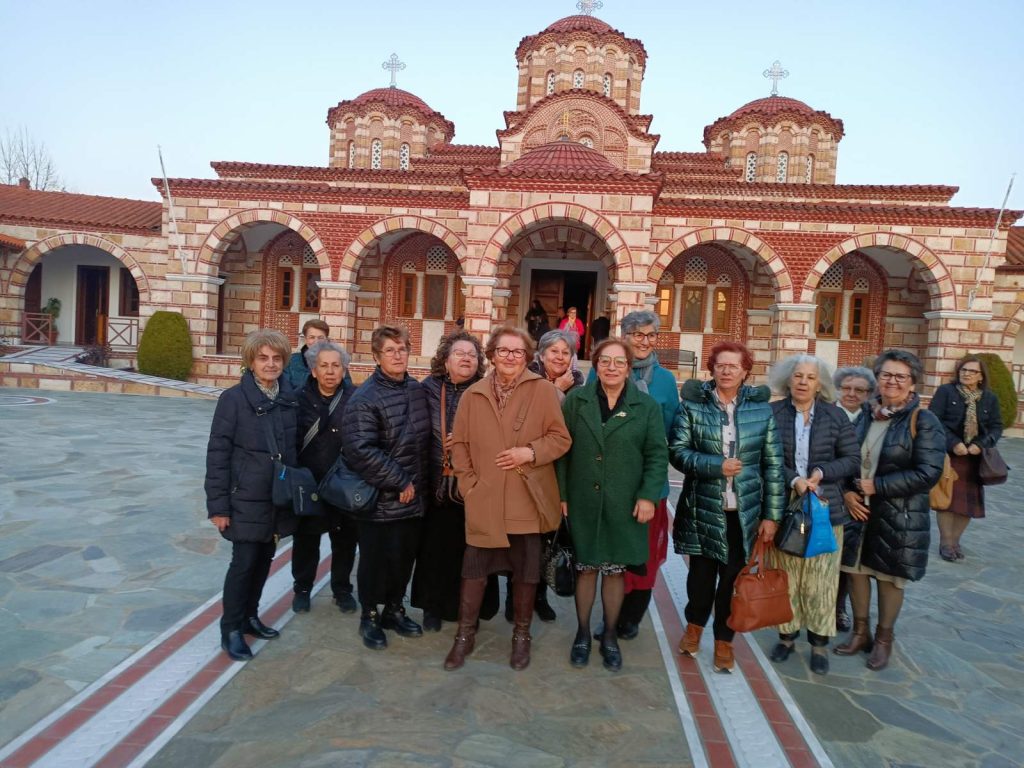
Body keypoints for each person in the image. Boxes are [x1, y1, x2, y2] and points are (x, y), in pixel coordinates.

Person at [445, 324, 571, 671]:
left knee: (526, 574)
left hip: (524, 497)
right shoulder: (474, 394)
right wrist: (469, 485)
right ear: (492, 356)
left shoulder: (543, 391)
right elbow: (460, 444)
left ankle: (521, 636)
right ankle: (464, 635)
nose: (510, 357)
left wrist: (529, 453)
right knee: (474, 571)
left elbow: (560, 439)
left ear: (528, 357)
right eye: (503, 350)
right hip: (484, 497)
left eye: (517, 352)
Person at [670, 341, 784, 673]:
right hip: (703, 507)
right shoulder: (693, 406)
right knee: (701, 578)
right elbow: (677, 451)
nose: (727, 371)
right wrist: (714, 465)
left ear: (746, 371)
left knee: (733, 581)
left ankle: (724, 640)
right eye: (721, 365)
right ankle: (694, 629)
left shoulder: (761, 411)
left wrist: (771, 516)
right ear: (712, 368)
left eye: (734, 366)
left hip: (743, 513)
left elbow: (774, 466)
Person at [558, 337, 668, 671]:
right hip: (582, 500)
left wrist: (649, 495)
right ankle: (580, 633)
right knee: (587, 567)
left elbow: (656, 454)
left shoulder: (645, 407)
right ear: (595, 364)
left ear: (629, 367)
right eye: (605, 361)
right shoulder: (576, 401)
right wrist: (562, 495)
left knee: (616, 570)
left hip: (625, 504)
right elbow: (562, 451)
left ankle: (608, 635)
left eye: (619, 362)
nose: (612, 368)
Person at [835, 349, 945, 671]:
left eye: (900, 377)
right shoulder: (866, 415)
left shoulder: (924, 421)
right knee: (855, 573)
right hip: (858, 511)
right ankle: (859, 632)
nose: (892, 382)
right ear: (877, 380)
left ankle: (884, 639)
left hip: (899, 515)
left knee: (888, 579)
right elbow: (845, 458)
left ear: (913, 384)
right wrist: (846, 494)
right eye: (886, 375)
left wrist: (878, 486)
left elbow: (929, 473)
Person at [206, 329, 299, 661]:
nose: (270, 364)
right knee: (243, 563)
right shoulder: (233, 400)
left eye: (276, 358)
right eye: (263, 358)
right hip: (244, 497)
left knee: (263, 561)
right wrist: (218, 505)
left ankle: (249, 617)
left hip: (276, 497)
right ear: (250, 361)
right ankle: (230, 628)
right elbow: (218, 454)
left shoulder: (288, 397)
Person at [590, 310, 681, 641]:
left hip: (647, 484)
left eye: (650, 335)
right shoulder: (601, 372)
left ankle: (632, 616)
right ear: (624, 337)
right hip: (608, 481)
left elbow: (670, 433)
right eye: (637, 335)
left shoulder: (667, 382)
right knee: (612, 554)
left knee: (644, 556)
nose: (644, 342)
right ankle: (610, 615)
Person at [766, 355, 859, 675]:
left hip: (825, 509)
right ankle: (787, 637)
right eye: (798, 376)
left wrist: (821, 471)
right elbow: (767, 457)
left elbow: (851, 459)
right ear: (787, 380)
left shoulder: (836, 417)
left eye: (810, 377)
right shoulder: (773, 413)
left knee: (821, 582)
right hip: (785, 506)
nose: (803, 382)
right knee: (787, 578)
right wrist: (794, 479)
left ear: (820, 383)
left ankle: (819, 645)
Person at [341, 325, 431, 650]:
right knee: (374, 562)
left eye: (402, 349)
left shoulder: (416, 390)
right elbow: (360, 449)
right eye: (390, 350)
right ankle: (370, 615)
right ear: (377, 356)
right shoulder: (364, 398)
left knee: (403, 559)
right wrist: (400, 480)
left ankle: (394, 609)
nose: (398, 355)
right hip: (379, 500)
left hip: (413, 499)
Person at [410, 331, 499, 631]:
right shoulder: (428, 389)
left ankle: (471, 610)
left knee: (472, 554)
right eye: (459, 353)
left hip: (476, 485)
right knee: (435, 551)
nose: (466, 359)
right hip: (437, 482)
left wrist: (469, 442)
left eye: (472, 355)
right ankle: (432, 608)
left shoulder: (490, 390)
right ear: (445, 360)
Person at [291, 341, 358, 615]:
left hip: (343, 484)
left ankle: (341, 590)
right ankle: (302, 589)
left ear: (344, 369)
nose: (330, 371)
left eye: (336, 365)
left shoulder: (356, 398)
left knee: (344, 542)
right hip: (309, 484)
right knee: (306, 541)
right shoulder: (297, 399)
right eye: (324, 366)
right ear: (313, 370)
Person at [928, 354, 1003, 562]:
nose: (966, 374)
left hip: (975, 459)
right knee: (947, 500)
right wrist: (953, 443)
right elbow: (934, 421)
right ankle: (945, 542)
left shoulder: (989, 398)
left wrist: (981, 444)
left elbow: (997, 426)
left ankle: (955, 541)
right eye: (963, 370)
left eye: (972, 371)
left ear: (981, 376)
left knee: (968, 504)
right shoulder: (946, 392)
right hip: (950, 456)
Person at [832, 366, 876, 631]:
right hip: (828, 493)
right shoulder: (824, 413)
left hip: (859, 501)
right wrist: (843, 492)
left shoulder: (874, 420)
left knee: (847, 562)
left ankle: (838, 608)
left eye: (859, 390)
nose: (851, 394)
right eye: (847, 388)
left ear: (869, 394)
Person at [285, 319, 353, 391]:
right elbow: (285, 390)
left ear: (326, 340)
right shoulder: (291, 361)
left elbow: (347, 389)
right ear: (305, 339)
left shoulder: (338, 361)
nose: (316, 341)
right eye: (312, 337)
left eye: (320, 338)